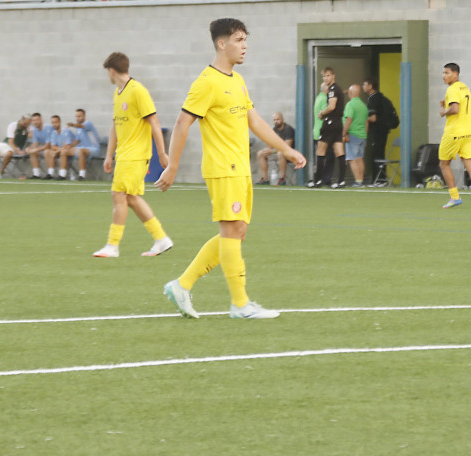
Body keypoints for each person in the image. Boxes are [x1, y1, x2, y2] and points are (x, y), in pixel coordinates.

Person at [156, 18, 306, 320]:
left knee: (236, 233)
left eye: (245, 40)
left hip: (240, 169)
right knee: (231, 232)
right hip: (223, 168)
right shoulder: (207, 82)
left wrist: (286, 149)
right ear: (222, 43)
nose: (245, 46)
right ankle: (240, 304)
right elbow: (183, 123)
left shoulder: (236, 80)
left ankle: (182, 286)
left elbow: (255, 121)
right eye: (239, 40)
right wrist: (172, 166)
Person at [93, 52, 175, 258]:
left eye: (107, 72)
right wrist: (109, 155)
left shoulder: (138, 91)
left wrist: (162, 153)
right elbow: (115, 125)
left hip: (136, 154)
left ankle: (112, 245)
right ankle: (161, 239)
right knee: (130, 197)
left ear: (112, 70)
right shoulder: (117, 94)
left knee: (118, 194)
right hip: (124, 154)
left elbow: (154, 122)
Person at [438, 62, 471, 208]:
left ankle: (454, 197)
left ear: (456, 74)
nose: (443, 76)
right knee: (469, 164)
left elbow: (455, 109)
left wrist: (443, 112)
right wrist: (446, 105)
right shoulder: (464, 87)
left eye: (447, 73)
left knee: (444, 164)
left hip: (454, 132)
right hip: (469, 132)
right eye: (443, 73)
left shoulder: (452, 89)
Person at [309, 67, 348, 188]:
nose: (326, 78)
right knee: (339, 151)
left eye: (328, 76)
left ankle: (317, 180)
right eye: (324, 76)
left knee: (320, 151)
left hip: (330, 122)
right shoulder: (338, 89)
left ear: (333, 76)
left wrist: (322, 113)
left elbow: (331, 106)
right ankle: (341, 181)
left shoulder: (332, 89)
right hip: (338, 123)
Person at [0, 114, 31, 178]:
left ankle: (1, 172)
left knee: (9, 154)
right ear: (22, 120)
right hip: (7, 144)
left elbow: (31, 135)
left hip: (16, 147)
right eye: (25, 123)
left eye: (28, 124)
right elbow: (10, 142)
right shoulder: (13, 125)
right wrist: (18, 151)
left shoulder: (29, 127)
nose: (26, 125)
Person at [256, 112, 296, 184]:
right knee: (260, 153)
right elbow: (270, 145)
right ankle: (265, 179)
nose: (276, 121)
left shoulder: (288, 129)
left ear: (283, 120)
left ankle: (282, 179)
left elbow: (287, 147)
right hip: (278, 152)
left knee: (281, 153)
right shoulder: (275, 130)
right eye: (274, 120)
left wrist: (272, 151)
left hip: (291, 154)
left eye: (278, 119)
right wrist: (267, 150)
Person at [342, 84, 368, 187]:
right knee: (360, 158)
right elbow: (366, 122)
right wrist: (365, 134)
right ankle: (360, 181)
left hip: (352, 135)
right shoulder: (363, 106)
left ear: (350, 93)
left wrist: (343, 134)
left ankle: (358, 181)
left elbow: (348, 120)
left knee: (352, 159)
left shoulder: (350, 105)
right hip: (362, 135)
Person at [65, 108, 102, 180]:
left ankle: (82, 175)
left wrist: (72, 125)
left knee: (81, 151)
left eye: (79, 116)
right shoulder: (78, 129)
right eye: (76, 116)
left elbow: (80, 126)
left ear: (84, 116)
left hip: (94, 149)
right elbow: (77, 141)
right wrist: (69, 146)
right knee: (64, 151)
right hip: (82, 149)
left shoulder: (88, 124)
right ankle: (63, 174)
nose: (77, 118)